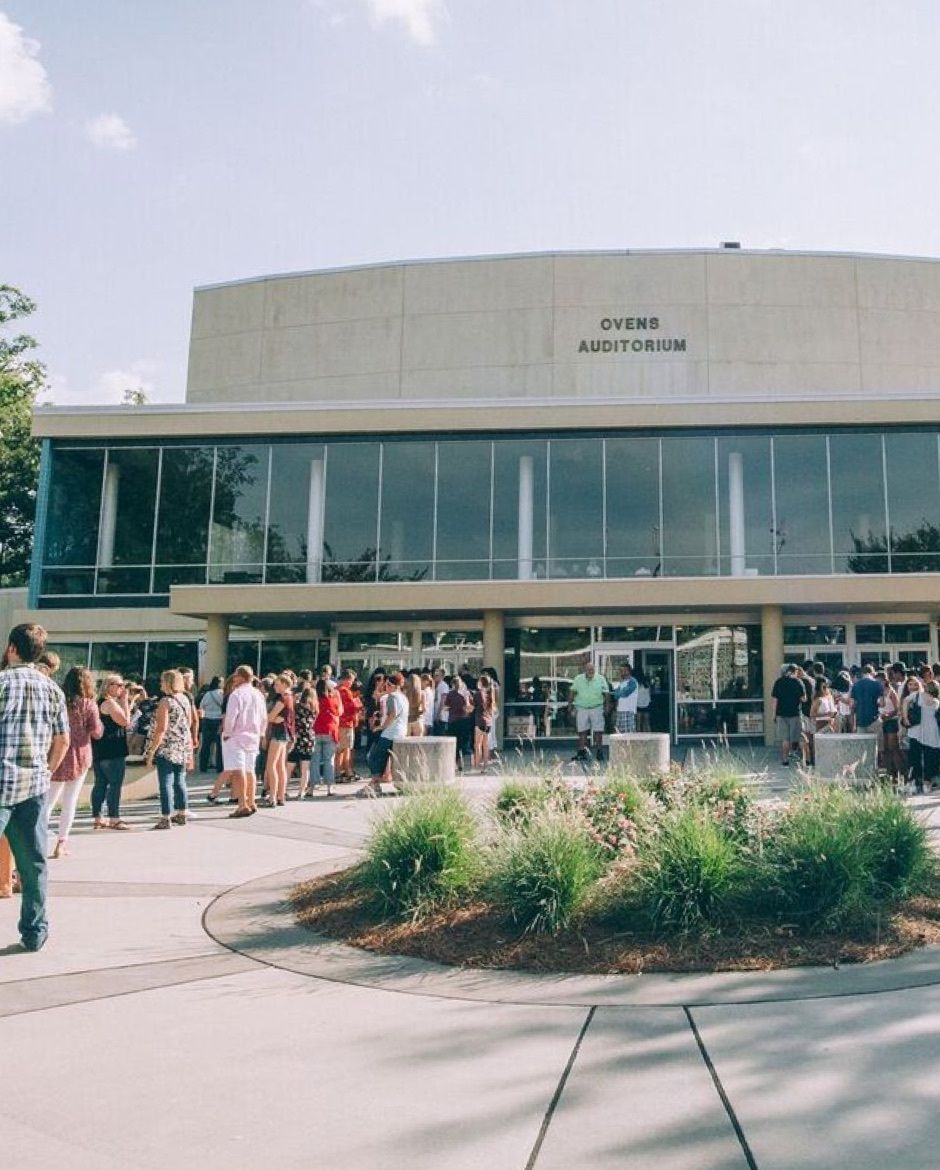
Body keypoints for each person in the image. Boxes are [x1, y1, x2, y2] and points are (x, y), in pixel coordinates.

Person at [0, 623, 69, 951]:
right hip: (33, 787)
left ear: (12, 648)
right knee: (34, 865)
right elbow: (63, 740)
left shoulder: (1, 683)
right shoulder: (53, 689)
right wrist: (46, 770)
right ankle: (34, 932)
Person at [48, 666, 104, 858]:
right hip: (80, 755)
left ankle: (36, 840)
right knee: (70, 801)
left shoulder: (58, 701)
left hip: (57, 752)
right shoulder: (88, 704)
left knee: (48, 802)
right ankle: (61, 843)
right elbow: (97, 732)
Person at [145, 670, 195, 829]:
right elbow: (189, 724)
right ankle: (182, 812)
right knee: (180, 780)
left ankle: (165, 816)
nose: (160, 684)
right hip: (181, 746)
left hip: (166, 747)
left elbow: (161, 729)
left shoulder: (165, 702)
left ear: (167, 682)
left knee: (165, 782)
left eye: (162, 681)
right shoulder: (185, 699)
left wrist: (151, 751)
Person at [220, 665, 268, 818]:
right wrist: (261, 733)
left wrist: (227, 733)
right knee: (250, 770)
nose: (234, 678)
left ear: (240, 676)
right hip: (253, 736)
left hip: (237, 735)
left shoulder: (237, 694)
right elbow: (264, 717)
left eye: (235, 675)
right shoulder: (258, 694)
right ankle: (251, 800)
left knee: (238, 769)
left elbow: (231, 716)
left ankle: (242, 804)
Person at [90, 674, 133, 829]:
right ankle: (114, 817)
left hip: (100, 748)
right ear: (109, 686)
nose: (122, 688)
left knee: (100, 783)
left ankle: (98, 817)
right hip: (113, 749)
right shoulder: (110, 703)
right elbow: (126, 721)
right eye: (119, 685)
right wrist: (125, 701)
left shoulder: (98, 702)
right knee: (115, 784)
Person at [367, 673, 407, 790]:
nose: (386, 687)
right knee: (390, 758)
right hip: (400, 732)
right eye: (386, 685)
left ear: (395, 686)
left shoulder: (392, 697)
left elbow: (392, 714)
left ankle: (375, 783)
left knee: (373, 756)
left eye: (389, 685)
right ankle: (377, 782)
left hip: (390, 733)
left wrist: (382, 727)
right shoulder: (403, 697)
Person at [263, 673, 296, 807]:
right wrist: (273, 718)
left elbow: (270, 717)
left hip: (278, 732)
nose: (275, 687)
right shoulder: (290, 697)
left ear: (284, 684)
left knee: (271, 765)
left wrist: (271, 717)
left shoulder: (282, 698)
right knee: (280, 766)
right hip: (285, 733)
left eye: (277, 684)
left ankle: (272, 797)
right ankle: (281, 795)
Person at [568, 661, 610, 760]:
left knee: (598, 731)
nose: (591, 671)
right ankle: (582, 752)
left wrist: (607, 706)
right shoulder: (578, 679)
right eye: (589, 669)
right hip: (582, 708)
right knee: (582, 731)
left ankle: (599, 751)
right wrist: (570, 705)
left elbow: (606, 693)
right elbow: (572, 692)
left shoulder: (600, 679)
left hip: (597, 708)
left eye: (592, 669)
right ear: (584, 670)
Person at [311, 677, 342, 795]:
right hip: (330, 731)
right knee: (329, 760)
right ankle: (329, 787)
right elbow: (339, 712)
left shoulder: (314, 700)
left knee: (314, 761)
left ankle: (312, 787)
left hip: (316, 731)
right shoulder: (332, 700)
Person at [771, 663, 805, 766]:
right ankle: (804, 760)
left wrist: (774, 714)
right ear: (795, 672)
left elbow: (775, 700)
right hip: (795, 713)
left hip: (781, 714)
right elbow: (804, 698)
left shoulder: (779, 682)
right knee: (799, 737)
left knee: (785, 739)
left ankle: (785, 760)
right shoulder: (798, 682)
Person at [291, 683, 318, 799]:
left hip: (297, 737)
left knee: (289, 765)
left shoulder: (297, 707)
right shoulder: (314, 709)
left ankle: (281, 791)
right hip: (309, 738)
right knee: (305, 768)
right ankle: (301, 791)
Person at [335, 670, 362, 782]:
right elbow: (352, 707)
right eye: (351, 680)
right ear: (346, 679)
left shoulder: (336, 690)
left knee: (340, 749)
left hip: (339, 722)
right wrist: (358, 702)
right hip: (346, 723)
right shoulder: (345, 691)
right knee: (345, 749)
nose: (352, 683)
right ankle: (345, 772)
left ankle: (340, 771)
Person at [198, 676, 224, 773]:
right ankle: (219, 766)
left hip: (207, 720)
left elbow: (201, 706)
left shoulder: (207, 694)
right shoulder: (222, 694)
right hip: (219, 720)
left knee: (206, 744)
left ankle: (203, 766)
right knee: (219, 745)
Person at [472, 673, 495, 771]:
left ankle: (477, 766)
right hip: (488, 722)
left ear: (481, 683)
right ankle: (485, 766)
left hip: (479, 721)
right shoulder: (490, 693)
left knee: (477, 745)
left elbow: (473, 707)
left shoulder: (478, 694)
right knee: (486, 745)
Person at [851, 665, 883, 734]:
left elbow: (852, 705)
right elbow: (882, 703)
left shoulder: (855, 685)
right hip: (874, 719)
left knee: (862, 744)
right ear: (872, 673)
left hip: (860, 720)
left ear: (862, 673)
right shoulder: (878, 684)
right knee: (877, 744)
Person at [612, 663, 639, 733]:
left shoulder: (633, 681)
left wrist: (619, 692)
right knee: (618, 732)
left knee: (628, 733)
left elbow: (625, 693)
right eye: (621, 670)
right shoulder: (621, 682)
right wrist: (619, 689)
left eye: (624, 670)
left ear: (629, 671)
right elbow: (616, 696)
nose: (622, 672)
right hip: (620, 710)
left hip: (629, 710)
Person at [404, 672, 426, 737]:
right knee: (418, 744)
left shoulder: (405, 693)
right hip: (417, 720)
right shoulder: (422, 693)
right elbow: (424, 709)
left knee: (407, 745)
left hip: (407, 721)